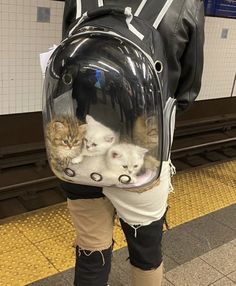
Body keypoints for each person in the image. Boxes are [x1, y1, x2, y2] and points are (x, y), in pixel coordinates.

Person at [61, 1, 205, 285]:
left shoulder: (78, 1)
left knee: (91, 252)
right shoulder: (185, 3)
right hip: (142, 163)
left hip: (81, 157)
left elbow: (69, 67)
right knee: (146, 256)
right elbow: (187, 93)